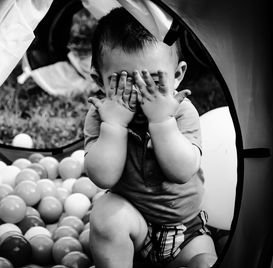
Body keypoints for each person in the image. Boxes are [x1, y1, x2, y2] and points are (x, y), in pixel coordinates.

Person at [83, 7, 217, 268]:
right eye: (124, 81)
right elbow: (103, 177)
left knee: (206, 263)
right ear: (99, 80)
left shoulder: (182, 111)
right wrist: (114, 126)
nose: (140, 91)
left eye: (154, 81)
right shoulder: (101, 114)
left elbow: (182, 171)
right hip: (133, 228)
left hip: (186, 232)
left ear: (177, 76)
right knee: (105, 214)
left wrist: (162, 122)